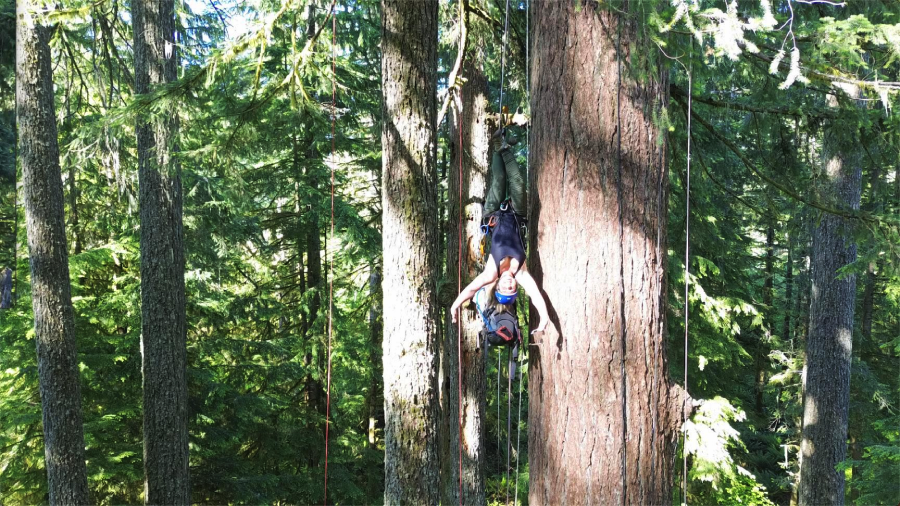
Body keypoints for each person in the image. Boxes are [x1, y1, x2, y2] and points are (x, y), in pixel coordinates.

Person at [450, 127, 549, 333]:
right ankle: (503, 148)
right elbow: (536, 295)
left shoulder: (490, 273)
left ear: (497, 286)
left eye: (504, 287)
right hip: (516, 213)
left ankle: (497, 144)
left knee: (498, 180)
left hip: (493, 214)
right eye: (512, 288)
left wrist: (455, 306)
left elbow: (470, 289)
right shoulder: (520, 273)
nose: (509, 284)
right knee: (518, 183)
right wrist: (545, 319)